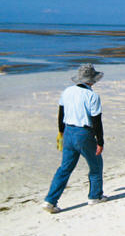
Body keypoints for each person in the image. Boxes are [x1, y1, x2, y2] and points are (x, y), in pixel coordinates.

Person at [42, 63, 107, 213]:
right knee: (96, 165)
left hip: (68, 132)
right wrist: (100, 141)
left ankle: (50, 201)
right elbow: (97, 121)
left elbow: (61, 114)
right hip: (84, 133)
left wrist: (61, 133)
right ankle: (95, 196)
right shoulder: (92, 96)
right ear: (93, 80)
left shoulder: (67, 91)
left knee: (64, 168)